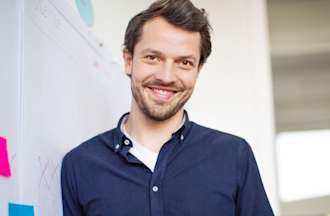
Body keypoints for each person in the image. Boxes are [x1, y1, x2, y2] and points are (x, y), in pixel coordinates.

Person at [61, 0, 275, 215]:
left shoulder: (234, 156)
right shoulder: (79, 165)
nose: (166, 77)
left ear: (198, 70)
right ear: (128, 60)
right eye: (152, 58)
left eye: (184, 63)